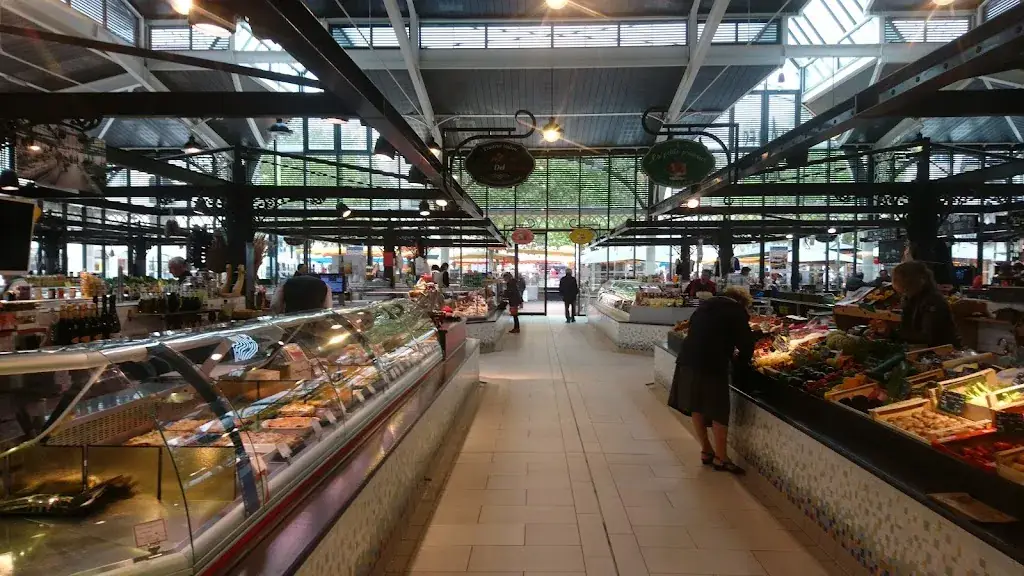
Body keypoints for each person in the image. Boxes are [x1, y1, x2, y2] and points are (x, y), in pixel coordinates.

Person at [668, 286, 755, 474]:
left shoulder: (705, 306)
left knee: (697, 406)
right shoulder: (736, 311)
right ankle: (722, 458)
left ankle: (706, 450)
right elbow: (746, 343)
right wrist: (742, 360)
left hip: (687, 360)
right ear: (741, 302)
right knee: (718, 411)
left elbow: (694, 328)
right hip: (711, 365)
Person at [892, 260, 960, 347]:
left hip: (940, 352)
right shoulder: (910, 298)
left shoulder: (932, 301)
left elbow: (929, 337)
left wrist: (894, 334)